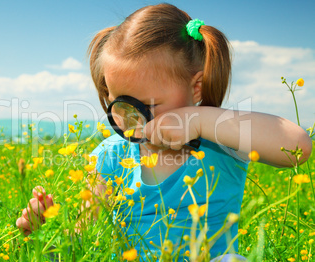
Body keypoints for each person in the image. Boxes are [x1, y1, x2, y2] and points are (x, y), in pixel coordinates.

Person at [16, 3, 312, 261]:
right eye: (119, 102)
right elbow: (87, 240)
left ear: (196, 87)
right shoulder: (108, 158)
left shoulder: (220, 142)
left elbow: (298, 146)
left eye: (149, 104)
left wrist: (199, 119)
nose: (134, 116)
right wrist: (50, 232)